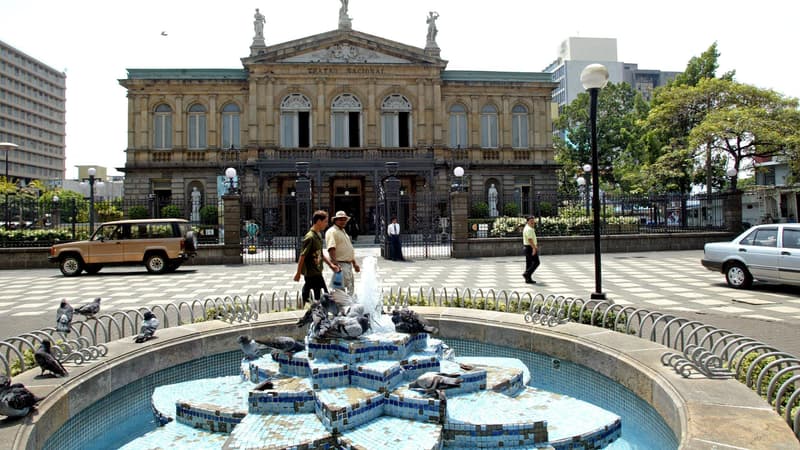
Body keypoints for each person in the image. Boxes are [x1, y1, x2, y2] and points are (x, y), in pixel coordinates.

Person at [294, 210, 338, 304]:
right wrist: (298, 273)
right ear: (318, 221)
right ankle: (307, 306)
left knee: (318, 294)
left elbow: (320, 254)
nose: (326, 224)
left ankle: (311, 308)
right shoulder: (310, 237)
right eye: (325, 221)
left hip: (317, 271)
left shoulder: (318, 235)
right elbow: (302, 256)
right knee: (321, 294)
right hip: (311, 272)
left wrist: (330, 265)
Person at [326, 211, 360, 294]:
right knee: (341, 290)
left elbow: (348, 248)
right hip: (341, 264)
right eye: (340, 219)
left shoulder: (342, 231)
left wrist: (354, 263)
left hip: (348, 265)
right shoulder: (332, 231)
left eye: (344, 219)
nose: (343, 221)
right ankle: (342, 306)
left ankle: (348, 305)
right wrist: (336, 265)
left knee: (350, 288)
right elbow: (331, 249)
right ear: (335, 220)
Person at [522, 216, 539, 284]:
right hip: (530, 247)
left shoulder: (528, 228)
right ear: (528, 221)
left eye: (533, 221)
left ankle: (528, 279)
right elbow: (530, 239)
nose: (533, 222)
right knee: (536, 262)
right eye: (531, 221)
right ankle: (526, 274)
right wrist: (534, 248)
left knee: (529, 263)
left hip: (528, 247)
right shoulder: (529, 229)